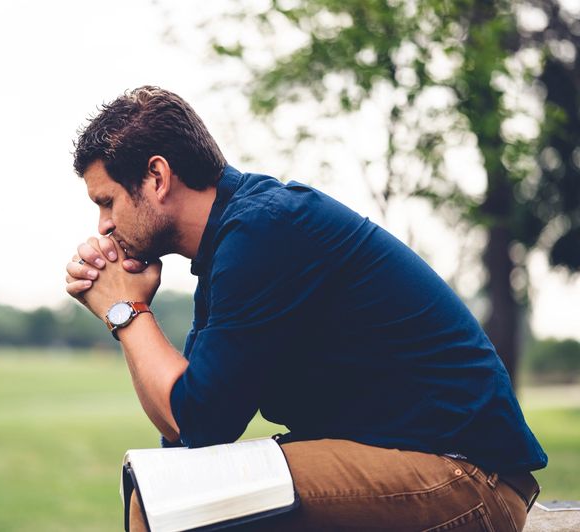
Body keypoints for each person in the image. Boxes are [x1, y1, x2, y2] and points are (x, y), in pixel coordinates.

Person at [64, 86, 547, 531]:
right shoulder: (232, 242)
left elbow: (198, 421)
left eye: (107, 202)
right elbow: (189, 436)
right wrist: (130, 307)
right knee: (164, 488)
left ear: (156, 176)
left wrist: (125, 311)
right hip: (424, 463)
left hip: (470, 477)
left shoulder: (263, 231)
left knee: (166, 501)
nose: (104, 226)